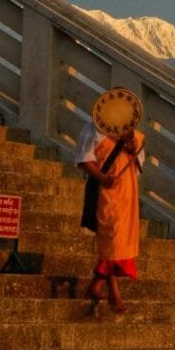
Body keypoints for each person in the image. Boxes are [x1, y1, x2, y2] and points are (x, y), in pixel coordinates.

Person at [74, 115, 145, 314]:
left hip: (126, 191)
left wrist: (131, 148)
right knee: (111, 237)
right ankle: (114, 293)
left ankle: (95, 287)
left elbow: (138, 166)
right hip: (104, 190)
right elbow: (85, 160)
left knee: (121, 239)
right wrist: (103, 178)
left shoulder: (134, 135)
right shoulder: (94, 129)